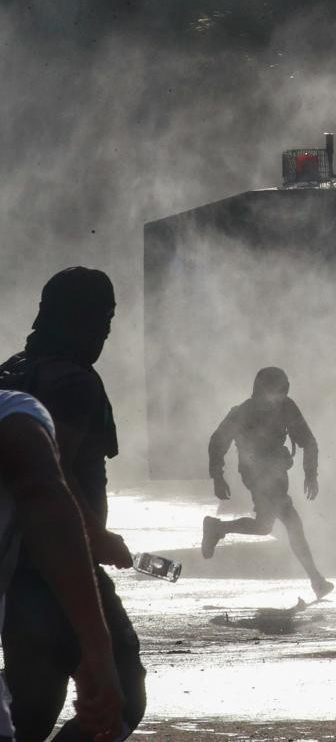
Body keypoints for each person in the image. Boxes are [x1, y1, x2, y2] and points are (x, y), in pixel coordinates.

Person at [0, 266, 147, 740]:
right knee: (119, 700)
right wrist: (96, 536)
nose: (106, 332)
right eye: (103, 320)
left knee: (30, 713)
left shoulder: (12, 371)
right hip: (59, 565)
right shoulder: (74, 382)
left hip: (15, 569)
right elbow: (52, 474)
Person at [0, 390, 125, 742]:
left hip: (29, 588)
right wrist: (98, 652)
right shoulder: (15, 417)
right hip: (40, 583)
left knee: (35, 698)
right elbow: (47, 502)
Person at [203, 367, 333, 600]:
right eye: (273, 392)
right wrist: (218, 476)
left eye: (281, 393)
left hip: (277, 471)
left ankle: (217, 528)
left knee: (264, 526)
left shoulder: (286, 407)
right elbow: (217, 442)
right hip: (256, 473)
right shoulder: (243, 412)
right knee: (292, 521)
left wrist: (310, 473)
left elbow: (308, 441)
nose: (277, 398)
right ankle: (316, 580)